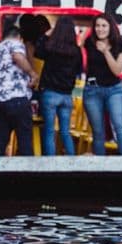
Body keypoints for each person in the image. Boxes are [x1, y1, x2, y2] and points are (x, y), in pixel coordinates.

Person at [0, 19, 37, 157]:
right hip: (16, 98)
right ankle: (27, 173)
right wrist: (32, 73)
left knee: (1, 136)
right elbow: (17, 56)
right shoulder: (15, 43)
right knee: (24, 137)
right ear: (19, 37)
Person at [82, 14, 122, 156]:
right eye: (97, 26)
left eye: (104, 26)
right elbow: (80, 47)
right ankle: (100, 168)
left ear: (111, 27)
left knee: (119, 125)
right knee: (98, 131)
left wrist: (105, 51)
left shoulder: (120, 44)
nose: (100, 29)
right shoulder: (89, 42)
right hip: (93, 90)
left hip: (114, 90)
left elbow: (117, 70)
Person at [35, 16, 83, 156]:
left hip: (50, 93)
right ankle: (71, 163)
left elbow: (37, 52)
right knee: (65, 132)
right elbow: (79, 70)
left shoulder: (50, 47)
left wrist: (45, 34)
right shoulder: (76, 51)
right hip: (67, 96)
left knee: (49, 131)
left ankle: (50, 166)